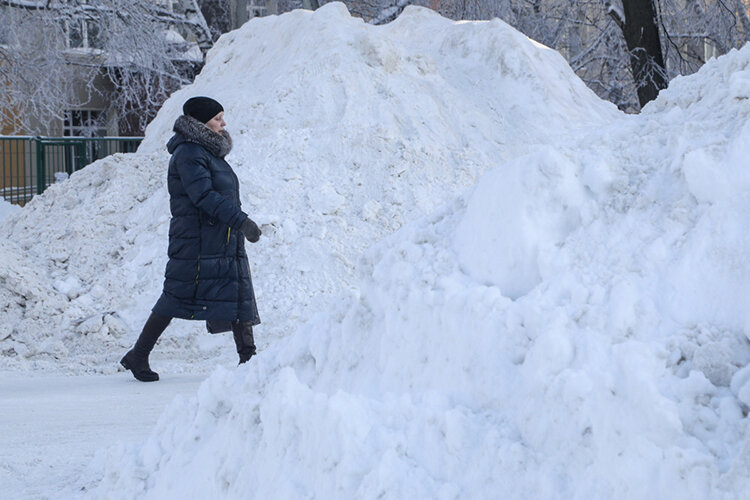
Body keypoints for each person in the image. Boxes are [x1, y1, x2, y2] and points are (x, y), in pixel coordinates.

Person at [120, 96, 262, 382]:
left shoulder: (209, 153)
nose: (224, 123)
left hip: (221, 237)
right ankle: (138, 354)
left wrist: (236, 224)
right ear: (201, 122)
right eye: (218, 118)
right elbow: (204, 196)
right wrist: (242, 221)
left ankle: (249, 359)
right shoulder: (188, 153)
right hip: (196, 243)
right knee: (176, 297)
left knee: (237, 292)